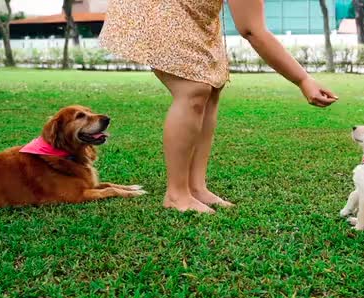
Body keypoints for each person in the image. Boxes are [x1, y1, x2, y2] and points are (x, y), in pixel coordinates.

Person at [99, 0, 338, 214]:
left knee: (211, 88)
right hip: (160, 8)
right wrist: (302, 80)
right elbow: (252, 30)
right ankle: (176, 194)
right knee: (193, 89)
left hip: (197, 16)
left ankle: (196, 187)